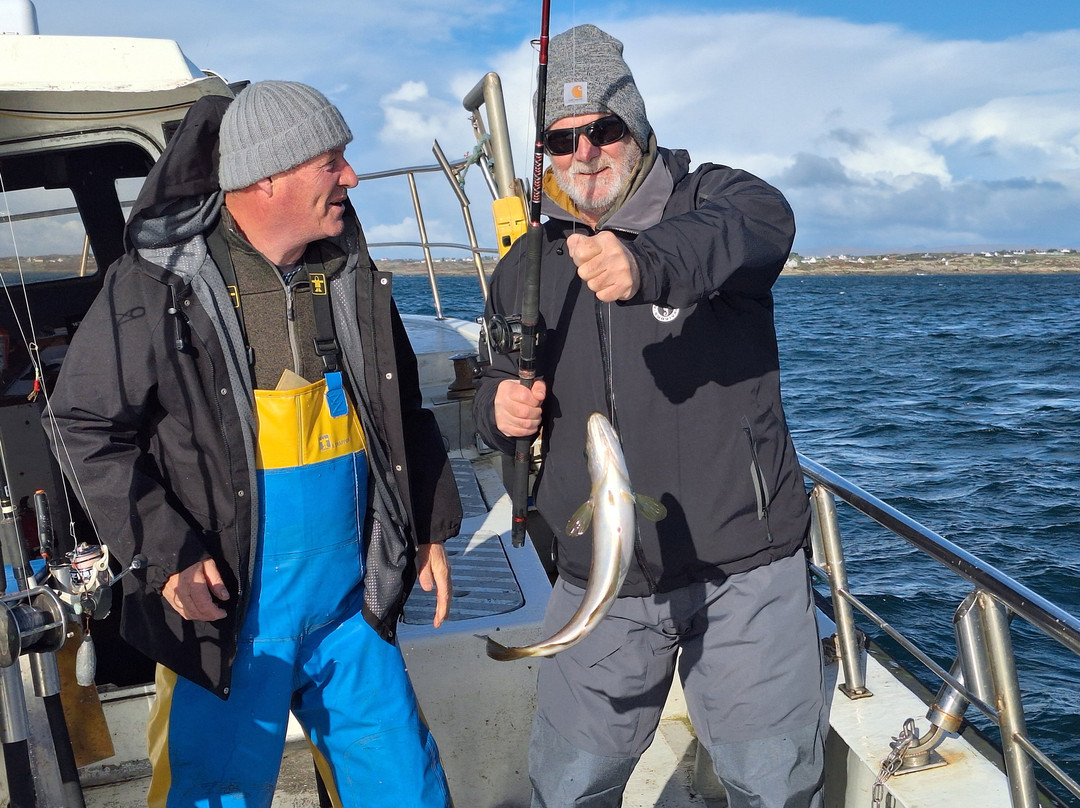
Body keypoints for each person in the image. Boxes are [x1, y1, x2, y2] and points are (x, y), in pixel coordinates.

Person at [43, 81, 460, 807]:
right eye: (332, 161)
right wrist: (167, 553)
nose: (352, 178)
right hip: (228, 621)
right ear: (267, 176)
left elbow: (400, 409)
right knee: (213, 793)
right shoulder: (155, 284)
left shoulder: (352, 272)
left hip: (351, 611)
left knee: (408, 787)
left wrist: (426, 525)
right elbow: (83, 426)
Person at [473, 24, 826, 808]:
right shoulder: (523, 268)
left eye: (602, 129)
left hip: (745, 568)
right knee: (568, 787)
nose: (584, 154)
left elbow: (767, 225)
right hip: (601, 578)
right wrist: (501, 412)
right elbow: (497, 391)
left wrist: (644, 262)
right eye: (561, 142)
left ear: (635, 125)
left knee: (770, 787)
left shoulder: (718, 202)